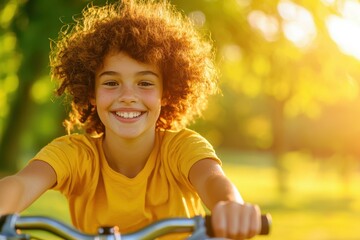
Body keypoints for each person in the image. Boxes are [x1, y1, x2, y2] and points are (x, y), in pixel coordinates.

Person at [0, 0, 263, 239]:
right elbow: (22, 185)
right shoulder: (75, 156)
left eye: (145, 83)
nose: (127, 96)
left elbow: (213, 181)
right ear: (91, 93)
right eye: (112, 82)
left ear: (166, 93)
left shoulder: (182, 148)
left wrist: (231, 207)